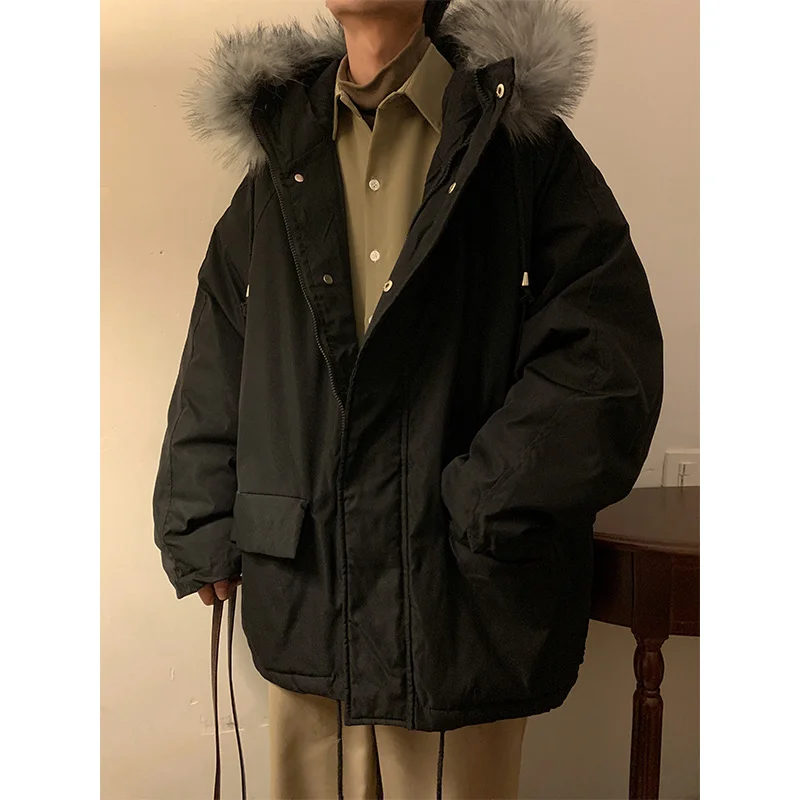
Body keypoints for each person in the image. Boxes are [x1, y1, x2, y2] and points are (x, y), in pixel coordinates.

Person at [152, 0, 664, 797]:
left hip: (454, 608)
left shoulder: (517, 152)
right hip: (310, 594)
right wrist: (200, 517)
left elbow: (605, 359)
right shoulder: (280, 160)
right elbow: (221, 345)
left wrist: (485, 501)